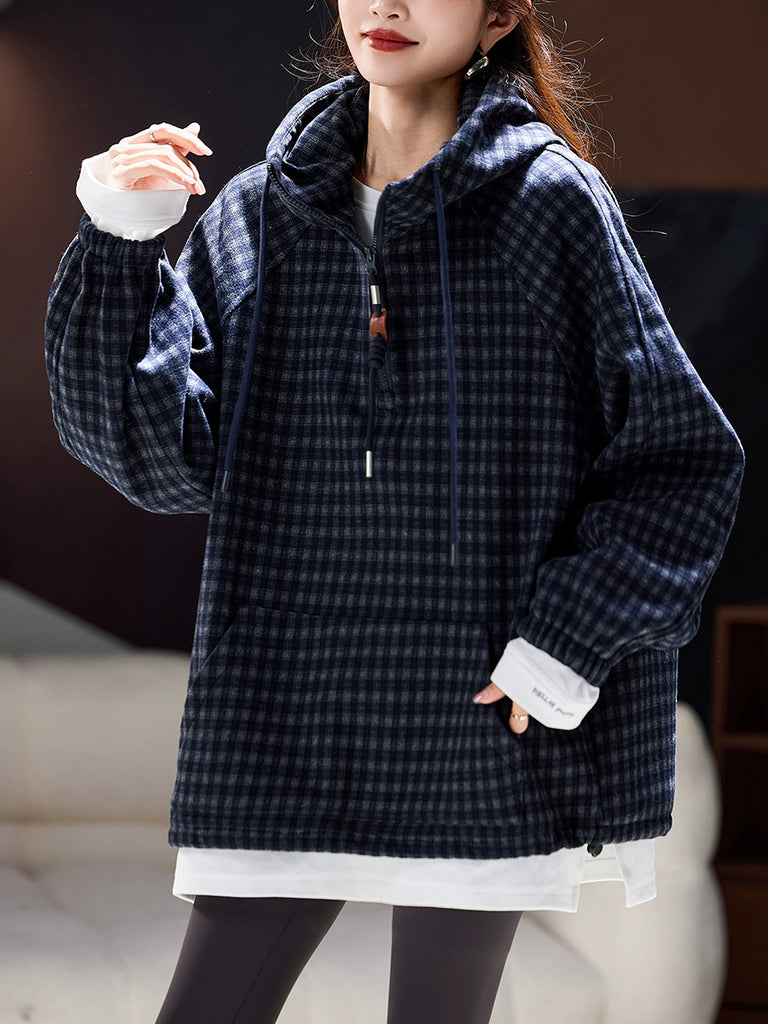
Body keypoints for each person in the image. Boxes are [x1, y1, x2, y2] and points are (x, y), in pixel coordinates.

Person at [44, 0, 745, 1022]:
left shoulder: (550, 205)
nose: (388, 4)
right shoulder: (257, 215)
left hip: (475, 721)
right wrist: (119, 243)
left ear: (500, 15)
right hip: (282, 712)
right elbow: (164, 462)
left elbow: (681, 457)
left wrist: (565, 643)